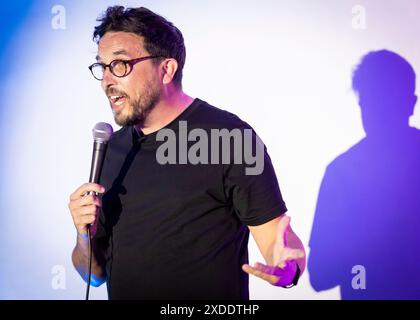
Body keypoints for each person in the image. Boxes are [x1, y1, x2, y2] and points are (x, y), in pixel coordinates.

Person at [68, 5, 305, 300]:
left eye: (120, 65)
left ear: (166, 69)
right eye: (102, 67)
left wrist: (288, 267)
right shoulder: (112, 149)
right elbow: (93, 275)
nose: (107, 80)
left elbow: (277, 240)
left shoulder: (229, 138)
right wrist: (82, 235)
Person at [308, 50, 420, 299]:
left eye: (386, 101)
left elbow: (320, 274)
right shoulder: (341, 173)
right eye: (373, 102)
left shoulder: (341, 172)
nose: (379, 112)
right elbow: (319, 274)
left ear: (410, 104)